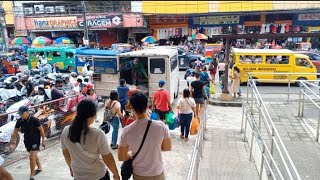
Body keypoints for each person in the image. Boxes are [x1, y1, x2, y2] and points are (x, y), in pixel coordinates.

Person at [60, 99, 121, 180]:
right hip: (98, 176)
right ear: (94, 115)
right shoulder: (98, 135)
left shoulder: (66, 131)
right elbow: (108, 159)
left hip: (78, 176)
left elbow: (66, 154)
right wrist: (116, 174)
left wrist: (71, 168)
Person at [118, 91, 172, 180]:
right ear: (147, 107)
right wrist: (154, 146)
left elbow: (122, 157)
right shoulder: (160, 126)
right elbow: (167, 147)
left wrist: (130, 153)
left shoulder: (126, 131)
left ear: (132, 109)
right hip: (157, 173)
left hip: (140, 174)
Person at [10, 106, 46, 180]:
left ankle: (31, 176)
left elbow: (41, 130)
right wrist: (13, 143)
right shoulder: (20, 121)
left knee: (32, 157)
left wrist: (43, 140)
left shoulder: (34, 120)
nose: (20, 115)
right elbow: (15, 132)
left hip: (35, 140)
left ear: (27, 112)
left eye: (22, 114)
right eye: (19, 114)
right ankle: (39, 168)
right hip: (27, 140)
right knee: (34, 156)